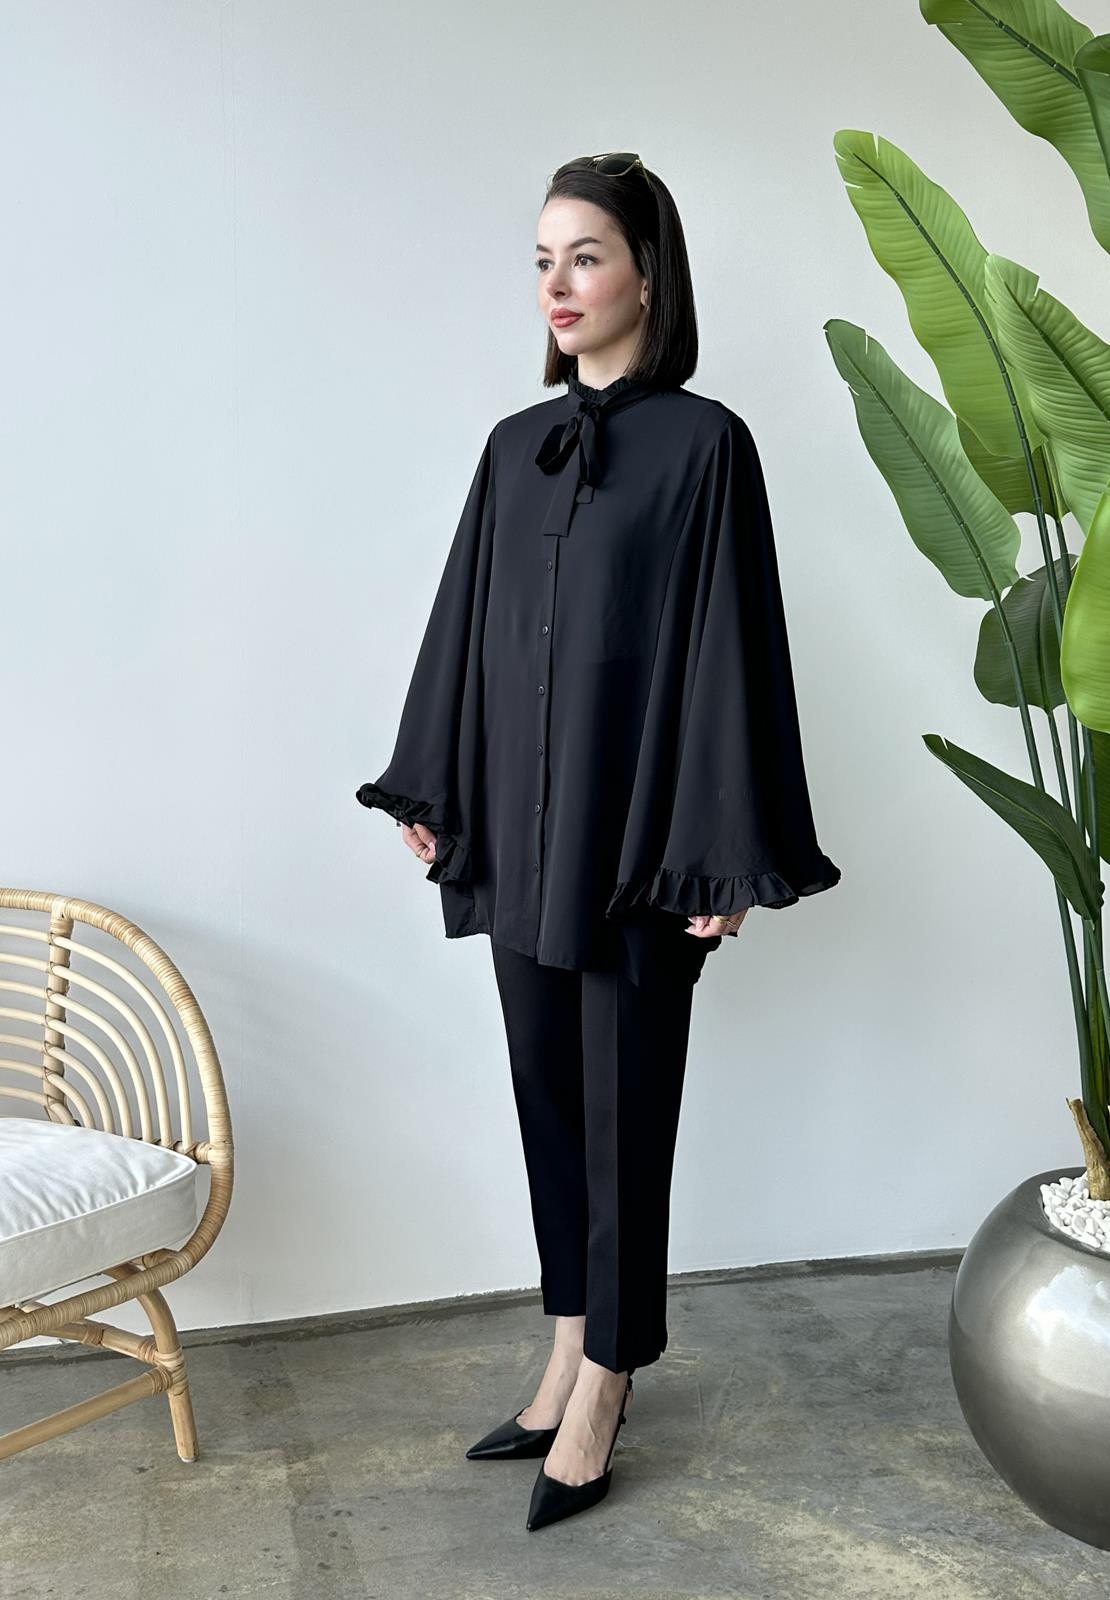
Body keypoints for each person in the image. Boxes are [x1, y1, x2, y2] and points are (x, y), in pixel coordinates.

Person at [357, 151, 841, 1531]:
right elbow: (465, 625)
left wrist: (722, 851)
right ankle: (566, 1341)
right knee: (547, 1098)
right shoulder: (514, 447)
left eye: (585, 256)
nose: (557, 285)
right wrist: (436, 786)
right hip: (518, 833)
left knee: (629, 1110)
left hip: (637, 845)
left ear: (646, 274)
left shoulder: (706, 447)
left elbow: (732, 652)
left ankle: (613, 1375)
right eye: (542, 260)